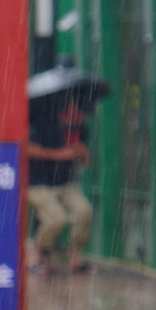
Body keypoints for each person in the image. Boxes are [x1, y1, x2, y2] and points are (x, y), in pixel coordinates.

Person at [28, 75, 95, 270]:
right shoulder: (47, 122)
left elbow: (84, 164)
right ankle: (37, 254)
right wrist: (57, 154)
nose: (81, 117)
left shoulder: (81, 129)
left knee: (83, 212)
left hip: (65, 182)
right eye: (79, 112)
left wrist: (83, 153)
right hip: (38, 181)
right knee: (56, 218)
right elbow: (27, 148)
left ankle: (75, 256)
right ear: (70, 107)